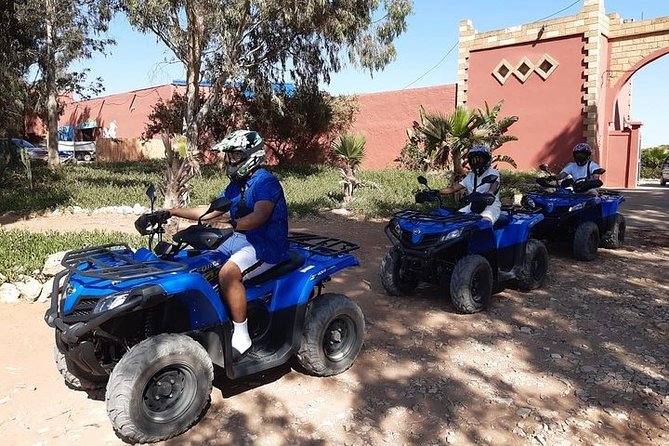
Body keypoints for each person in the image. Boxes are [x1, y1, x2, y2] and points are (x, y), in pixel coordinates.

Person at [168, 130, 289, 360]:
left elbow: (259, 216)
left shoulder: (266, 182)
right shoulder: (236, 186)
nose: (231, 161)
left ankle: (242, 335)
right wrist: (172, 211)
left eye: (235, 156)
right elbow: (211, 211)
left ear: (251, 156)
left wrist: (232, 224)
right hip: (241, 238)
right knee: (199, 263)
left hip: (265, 243)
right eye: (229, 156)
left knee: (227, 274)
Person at [438, 144, 501, 224]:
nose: (476, 162)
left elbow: (494, 185)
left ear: (485, 160)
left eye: (478, 159)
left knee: (483, 223)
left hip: (490, 207)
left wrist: (490, 193)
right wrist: (436, 191)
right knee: (453, 220)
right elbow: (453, 188)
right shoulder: (471, 175)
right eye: (473, 160)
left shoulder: (492, 172)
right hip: (472, 207)